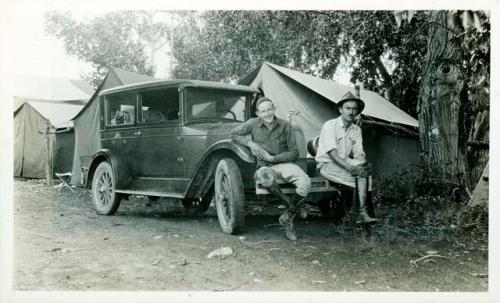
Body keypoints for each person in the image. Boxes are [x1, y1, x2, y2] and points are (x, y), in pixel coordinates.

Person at [231, 97, 311, 241]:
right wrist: (250, 143)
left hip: (282, 164)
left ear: (274, 109)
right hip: (264, 167)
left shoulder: (286, 125)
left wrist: (273, 159)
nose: (267, 114)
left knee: (305, 182)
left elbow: (294, 152)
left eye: (269, 109)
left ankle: (287, 215)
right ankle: (292, 208)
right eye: (263, 111)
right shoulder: (252, 124)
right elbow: (234, 134)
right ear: (258, 113)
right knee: (264, 176)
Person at [315, 91, 379, 224]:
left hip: (344, 162)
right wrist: (351, 169)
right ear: (340, 109)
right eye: (347, 108)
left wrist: (364, 163)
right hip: (327, 164)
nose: (351, 112)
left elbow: (359, 154)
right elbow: (332, 154)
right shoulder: (330, 125)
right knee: (359, 176)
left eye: (354, 109)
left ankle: (364, 212)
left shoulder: (356, 129)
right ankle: (361, 212)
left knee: (365, 172)